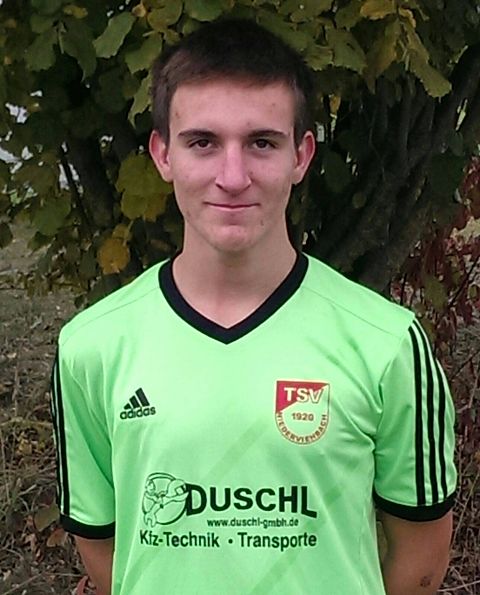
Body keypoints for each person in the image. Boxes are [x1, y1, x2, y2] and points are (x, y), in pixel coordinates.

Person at [51, 17, 456, 595]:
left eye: (262, 143)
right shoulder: (91, 346)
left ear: (301, 155)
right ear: (163, 155)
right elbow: (102, 544)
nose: (233, 176)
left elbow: (420, 559)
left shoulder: (387, 342)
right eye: (203, 143)